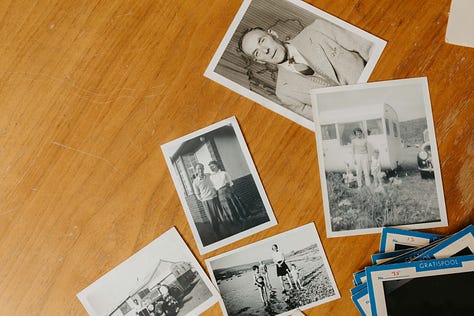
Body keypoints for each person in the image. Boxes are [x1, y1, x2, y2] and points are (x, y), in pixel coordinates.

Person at [239, 19, 373, 119]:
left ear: (273, 34)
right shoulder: (284, 94)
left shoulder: (317, 29)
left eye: (262, 41)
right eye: (257, 53)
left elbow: (369, 47)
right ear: (259, 60)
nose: (265, 50)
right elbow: (324, 120)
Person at [192, 163, 228, 237]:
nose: (200, 170)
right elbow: (197, 194)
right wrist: (202, 199)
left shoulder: (209, 175)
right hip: (206, 201)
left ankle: (227, 231)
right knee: (212, 218)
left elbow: (217, 179)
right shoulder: (195, 182)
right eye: (198, 168)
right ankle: (218, 234)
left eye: (201, 168)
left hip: (215, 198)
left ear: (203, 168)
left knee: (221, 215)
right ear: (196, 170)